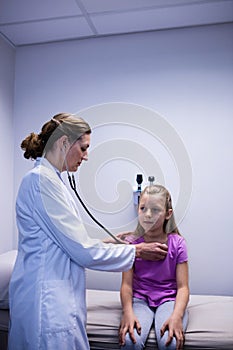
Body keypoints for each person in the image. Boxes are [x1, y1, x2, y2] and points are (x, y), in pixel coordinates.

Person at [8, 113, 168, 350]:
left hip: (58, 296)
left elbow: (66, 242)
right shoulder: (40, 182)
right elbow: (82, 250)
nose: (86, 156)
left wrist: (110, 243)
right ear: (63, 142)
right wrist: (137, 251)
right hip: (46, 305)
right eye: (83, 148)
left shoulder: (53, 181)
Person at [119, 184, 189, 350]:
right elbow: (126, 285)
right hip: (140, 300)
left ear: (168, 214)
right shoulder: (131, 244)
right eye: (143, 208)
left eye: (156, 210)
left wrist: (177, 316)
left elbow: (183, 287)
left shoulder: (177, 243)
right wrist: (127, 312)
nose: (148, 214)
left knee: (170, 343)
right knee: (130, 341)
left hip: (169, 300)